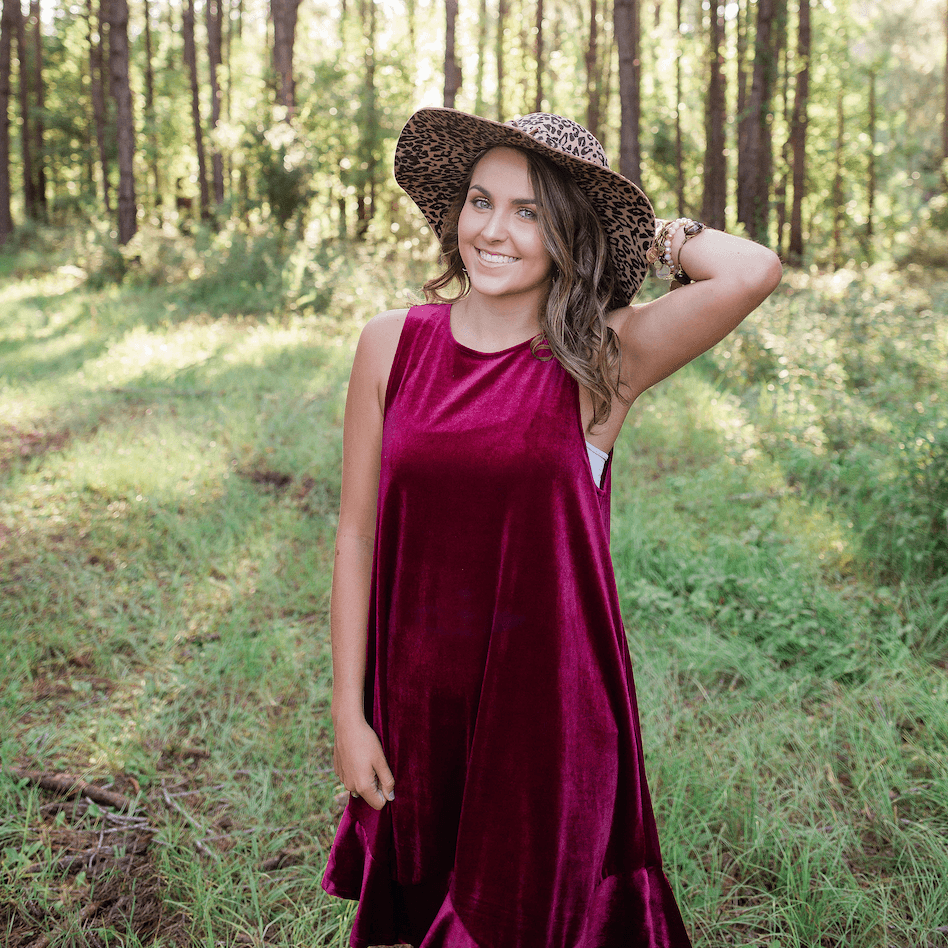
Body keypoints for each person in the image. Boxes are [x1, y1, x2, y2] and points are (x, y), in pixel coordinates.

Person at [321, 108, 782, 948]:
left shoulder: (600, 363)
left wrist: (646, 236)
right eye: (480, 201)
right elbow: (355, 536)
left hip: (551, 718)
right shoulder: (390, 345)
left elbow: (750, 272)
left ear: (568, 231)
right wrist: (349, 717)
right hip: (419, 703)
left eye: (531, 211)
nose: (494, 230)